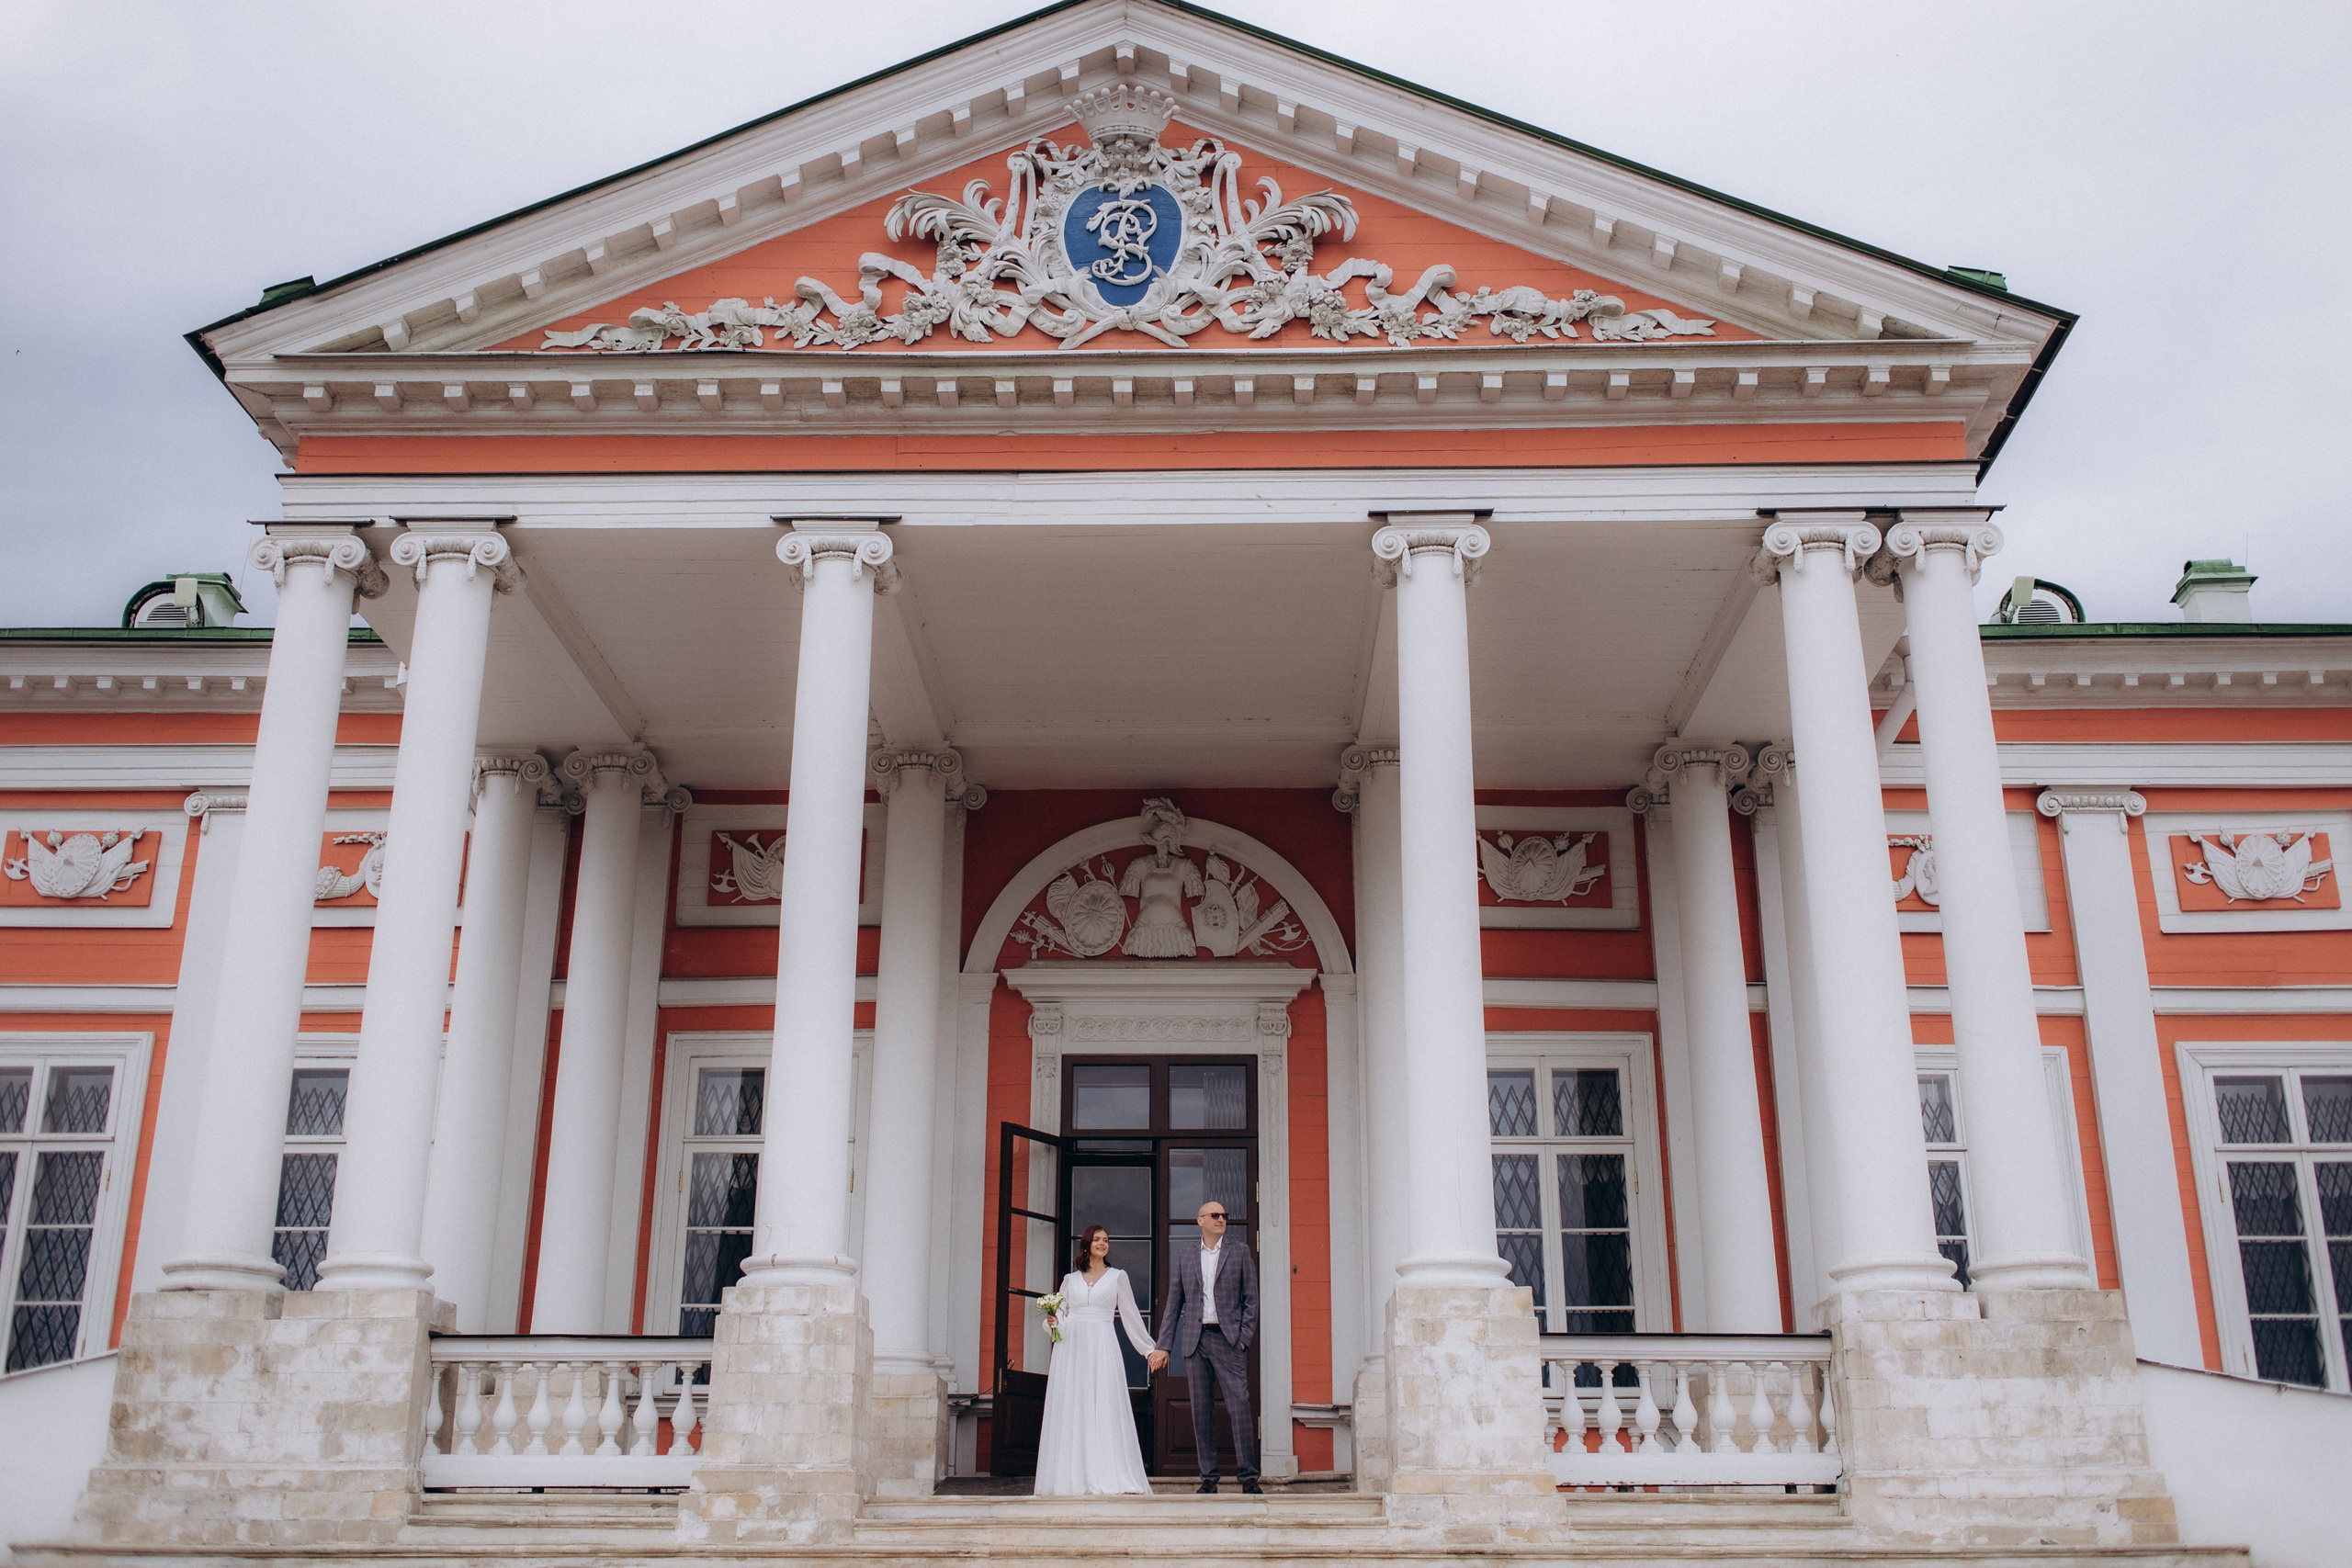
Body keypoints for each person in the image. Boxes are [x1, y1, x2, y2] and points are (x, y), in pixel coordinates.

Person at [1033, 1224, 1156, 1496]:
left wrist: (1148, 1349)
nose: (1103, 1243)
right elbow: (1061, 1318)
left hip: (1102, 1344)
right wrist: (1053, 1321)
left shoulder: (1117, 1277)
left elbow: (1130, 1314)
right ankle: (1071, 1478)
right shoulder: (1070, 1280)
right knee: (1074, 1406)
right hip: (1072, 1350)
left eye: (1106, 1240)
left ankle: (1108, 1475)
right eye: (1097, 1239)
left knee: (1103, 1404)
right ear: (1086, 1245)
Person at [1150, 1199, 1261, 1494]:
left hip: (1228, 1340)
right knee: (1201, 1411)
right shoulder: (1185, 1257)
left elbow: (1252, 1300)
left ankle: (1248, 1477)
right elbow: (1174, 1304)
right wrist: (1164, 1346)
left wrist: (1243, 1339)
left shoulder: (1239, 1252)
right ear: (1200, 1221)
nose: (1221, 1219)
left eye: (1224, 1215)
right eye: (1214, 1215)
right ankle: (1208, 1479)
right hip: (1194, 1341)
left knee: (1239, 1406)